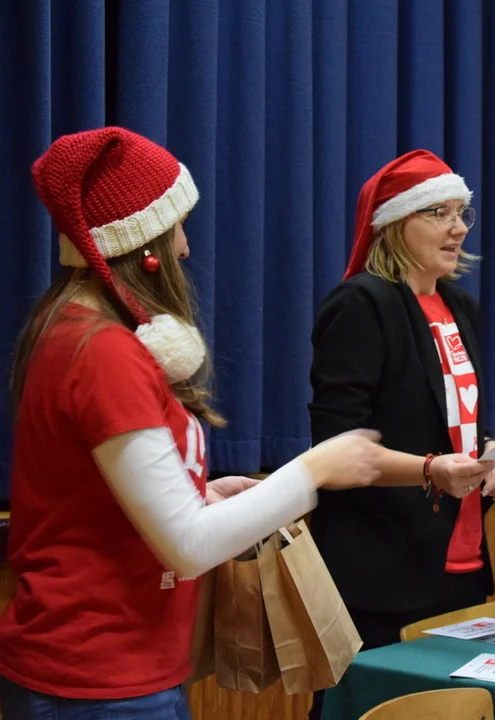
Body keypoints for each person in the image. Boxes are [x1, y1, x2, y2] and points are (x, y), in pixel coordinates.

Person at [0, 127, 383, 720]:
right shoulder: (104, 353)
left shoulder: (75, 332)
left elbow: (100, 503)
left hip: (110, 676)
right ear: (143, 248)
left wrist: (201, 493)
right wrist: (314, 468)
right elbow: (186, 545)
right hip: (101, 682)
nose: (184, 247)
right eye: (175, 226)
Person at [307, 149, 495, 717]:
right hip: (380, 567)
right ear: (397, 225)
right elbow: (334, 444)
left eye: (463, 212)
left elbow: (460, 416)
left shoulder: (459, 304)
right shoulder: (362, 303)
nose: (459, 228)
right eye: (440, 214)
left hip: (462, 559)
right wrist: (430, 470)